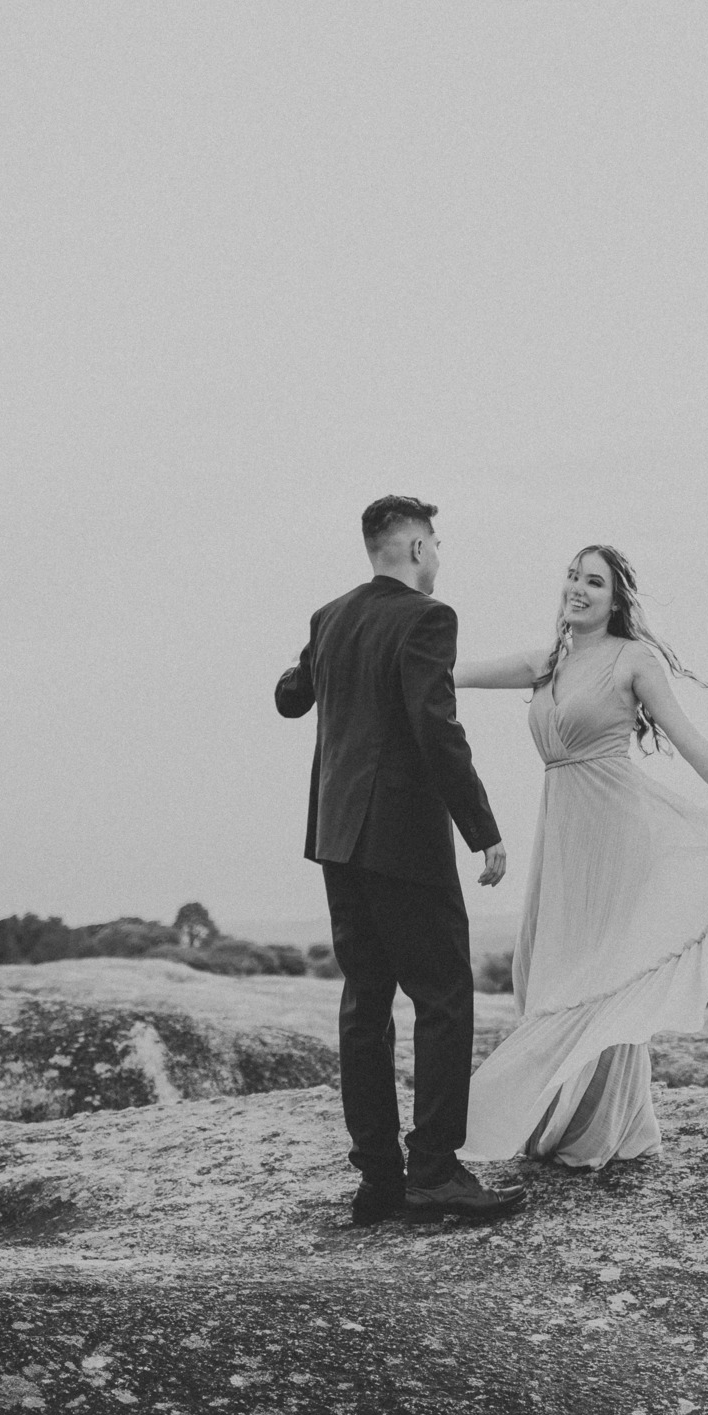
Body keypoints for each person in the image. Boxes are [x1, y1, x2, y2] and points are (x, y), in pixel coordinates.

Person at [455, 544, 708, 1169]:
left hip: (616, 830)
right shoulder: (547, 662)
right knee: (545, 968)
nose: (578, 589)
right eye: (572, 576)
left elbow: (684, 732)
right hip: (563, 832)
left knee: (599, 970)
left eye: (594, 582)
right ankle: (574, 1120)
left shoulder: (633, 660)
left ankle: (586, 1123)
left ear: (616, 599)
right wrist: (389, 658)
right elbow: (451, 671)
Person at [275, 495, 525, 1226]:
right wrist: (481, 827)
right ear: (414, 548)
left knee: (366, 1003)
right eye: (436, 544)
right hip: (403, 839)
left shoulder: (331, 617)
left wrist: (323, 664)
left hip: (336, 837)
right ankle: (437, 1174)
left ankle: (379, 1181)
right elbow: (434, 726)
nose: (439, 557)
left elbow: (291, 697)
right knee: (444, 996)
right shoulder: (427, 618)